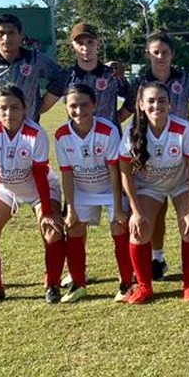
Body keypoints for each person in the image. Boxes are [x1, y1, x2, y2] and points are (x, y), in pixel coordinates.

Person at [0, 84, 65, 305]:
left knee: (52, 230)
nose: (8, 113)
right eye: (3, 108)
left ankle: (52, 284)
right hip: (7, 188)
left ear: (25, 109)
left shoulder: (35, 134)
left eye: (14, 107)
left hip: (40, 189)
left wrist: (48, 212)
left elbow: (40, 173)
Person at [119, 31, 189, 281]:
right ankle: (153, 264)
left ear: (172, 54)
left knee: (187, 222)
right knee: (147, 219)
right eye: (156, 52)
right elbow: (124, 110)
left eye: (165, 52)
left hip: (177, 154)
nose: (161, 56)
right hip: (148, 156)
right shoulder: (140, 82)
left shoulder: (183, 78)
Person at [0, 13, 67, 182]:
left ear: (20, 35)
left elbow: (62, 77)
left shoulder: (35, 60)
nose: (6, 38)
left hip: (27, 137)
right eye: (1, 33)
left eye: (11, 33)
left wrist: (43, 105)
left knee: (36, 190)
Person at [54, 84, 129, 303]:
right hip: (82, 190)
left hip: (109, 188)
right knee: (74, 227)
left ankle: (126, 283)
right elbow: (67, 174)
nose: (79, 111)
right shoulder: (61, 135)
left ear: (94, 105)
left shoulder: (108, 130)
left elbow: (115, 170)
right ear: (66, 107)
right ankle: (78, 283)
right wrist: (70, 209)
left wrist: (118, 208)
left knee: (118, 226)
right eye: (73, 106)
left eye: (84, 105)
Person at [66, 23, 128, 125]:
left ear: (97, 44)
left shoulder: (112, 75)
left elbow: (134, 98)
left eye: (90, 42)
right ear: (72, 47)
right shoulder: (66, 77)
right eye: (80, 43)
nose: (85, 48)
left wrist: (118, 118)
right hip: (77, 139)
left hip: (109, 139)